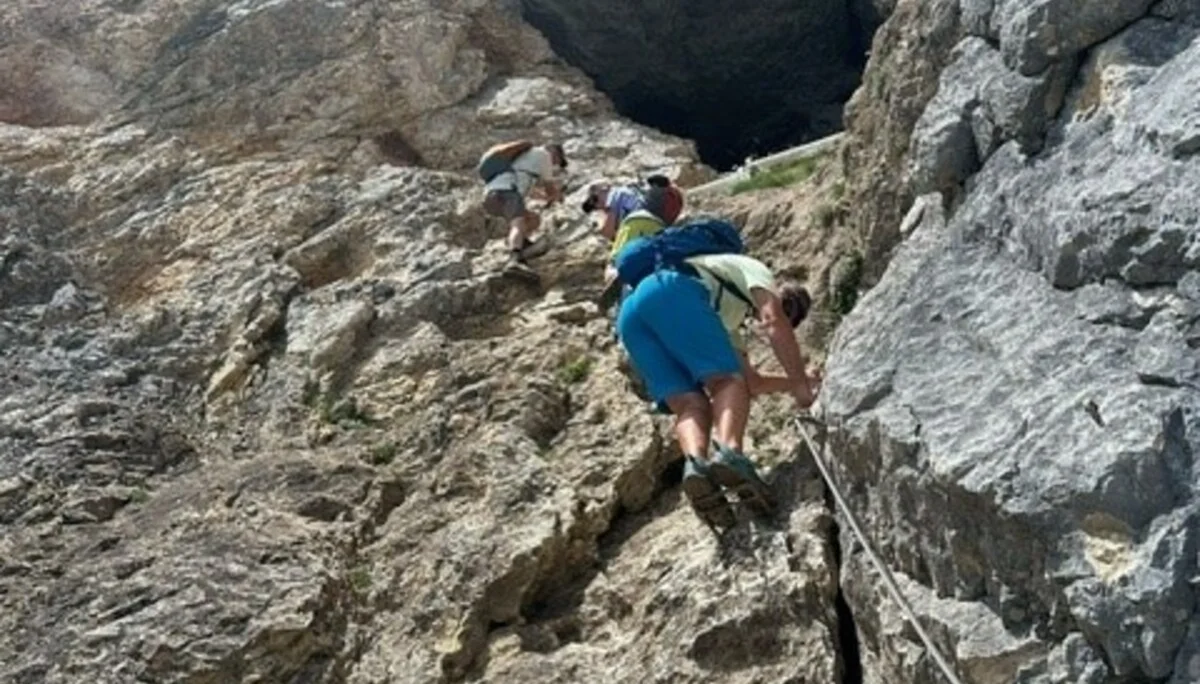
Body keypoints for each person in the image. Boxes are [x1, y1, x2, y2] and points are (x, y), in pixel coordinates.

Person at [615, 252, 820, 528]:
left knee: (690, 404)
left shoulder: (728, 318)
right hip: (672, 291)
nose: (763, 318)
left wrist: (801, 381)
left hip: (631, 315)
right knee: (726, 382)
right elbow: (774, 322)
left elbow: (753, 382)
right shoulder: (756, 272)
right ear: (778, 292)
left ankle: (696, 467)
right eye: (786, 311)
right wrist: (801, 389)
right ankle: (731, 455)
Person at [481, 142, 567, 269]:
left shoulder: (525, 160)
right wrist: (558, 196)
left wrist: (547, 198)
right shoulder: (544, 155)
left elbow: (531, 192)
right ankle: (515, 258)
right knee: (518, 223)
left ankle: (521, 243)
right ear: (554, 152)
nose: (554, 165)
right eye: (557, 160)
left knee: (533, 219)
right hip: (508, 192)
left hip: (491, 196)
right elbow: (550, 188)